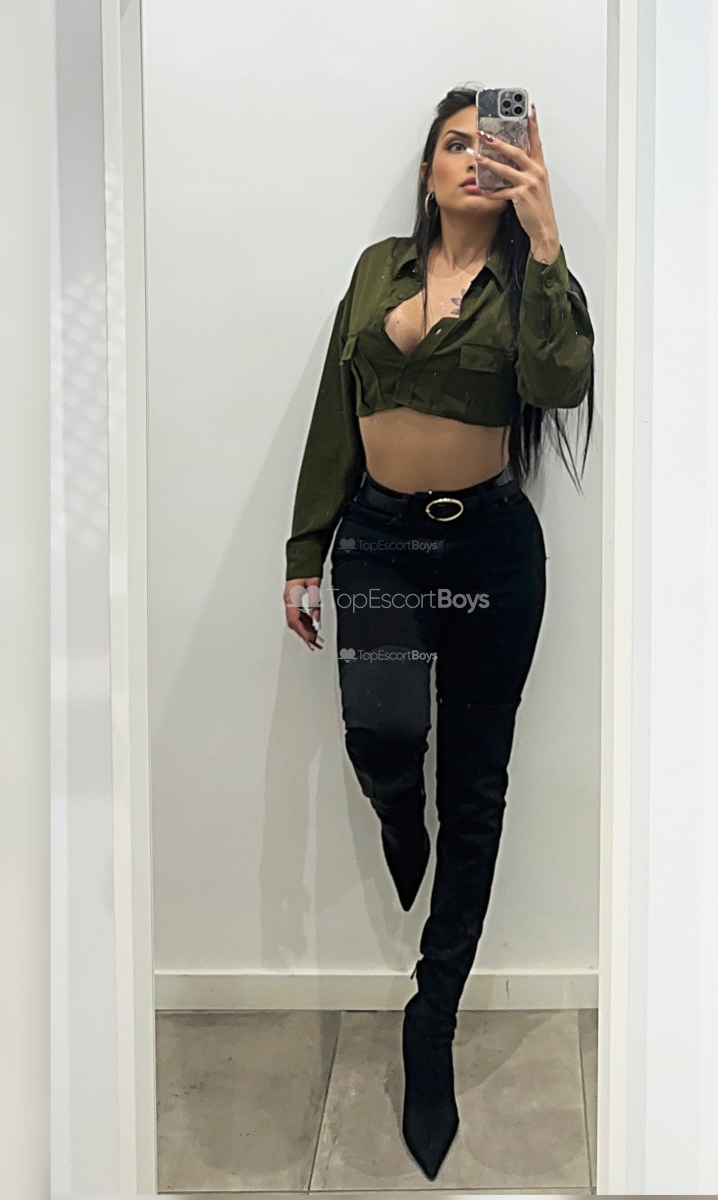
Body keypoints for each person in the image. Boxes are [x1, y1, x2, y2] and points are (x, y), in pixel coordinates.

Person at [282, 84, 595, 1180]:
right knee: (381, 735)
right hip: (377, 543)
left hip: (490, 555)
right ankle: (393, 817)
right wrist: (305, 548)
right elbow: (336, 410)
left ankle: (432, 1018)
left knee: (476, 790)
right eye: (454, 144)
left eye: (492, 147)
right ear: (426, 171)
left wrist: (545, 238)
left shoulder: (530, 277)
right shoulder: (379, 268)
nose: (473, 159)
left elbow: (559, 384)